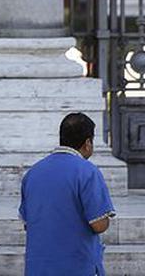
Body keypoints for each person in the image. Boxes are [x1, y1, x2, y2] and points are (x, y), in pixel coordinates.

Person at [18, 113, 116, 276]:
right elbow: (98, 224)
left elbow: (28, 224)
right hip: (76, 266)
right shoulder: (88, 171)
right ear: (87, 143)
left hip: (38, 268)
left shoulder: (33, 173)